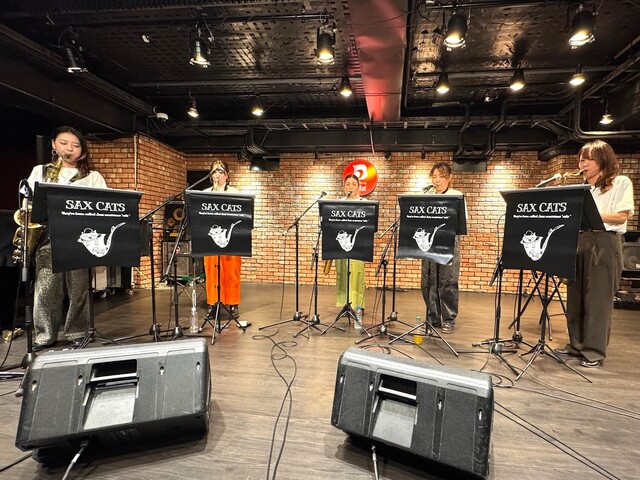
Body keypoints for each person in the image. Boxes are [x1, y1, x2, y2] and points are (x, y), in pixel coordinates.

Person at [555, 140, 634, 368]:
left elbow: (621, 216)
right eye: (581, 159)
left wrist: (590, 213)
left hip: (604, 241)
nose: (582, 164)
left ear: (603, 160)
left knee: (597, 299)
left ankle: (593, 351)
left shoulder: (620, 182)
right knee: (575, 296)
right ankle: (575, 345)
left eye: (588, 159)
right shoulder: (585, 189)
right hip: (580, 240)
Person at [27, 126, 107, 348]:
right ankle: (45, 335)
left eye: (75, 145)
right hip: (48, 237)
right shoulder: (40, 172)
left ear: (82, 150)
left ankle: (78, 332)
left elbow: (103, 206)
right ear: (54, 144)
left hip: (80, 239)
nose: (69, 149)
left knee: (78, 289)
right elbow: (29, 203)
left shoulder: (92, 177)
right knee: (46, 289)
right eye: (64, 143)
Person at [421, 162, 463, 334]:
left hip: (449, 242)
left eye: (441, 177)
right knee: (428, 281)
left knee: (447, 281)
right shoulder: (426, 195)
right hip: (429, 243)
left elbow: (462, 221)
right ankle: (433, 317)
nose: (437, 180)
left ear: (449, 178)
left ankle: (448, 318)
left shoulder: (456, 196)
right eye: (434, 177)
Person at [203, 160, 242, 320]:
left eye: (220, 171)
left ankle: (233, 303)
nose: (217, 174)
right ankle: (212, 303)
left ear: (227, 174)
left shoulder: (235, 192)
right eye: (214, 171)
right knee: (212, 272)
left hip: (230, 240)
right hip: (211, 240)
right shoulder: (205, 193)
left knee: (231, 271)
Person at [334, 174, 366, 314]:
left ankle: (358, 304)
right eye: (348, 184)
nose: (350, 187)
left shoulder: (364, 203)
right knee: (342, 273)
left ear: (359, 187)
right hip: (341, 246)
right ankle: (345, 303)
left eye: (354, 184)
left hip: (358, 246)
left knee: (357, 273)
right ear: (343, 187)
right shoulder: (339, 203)